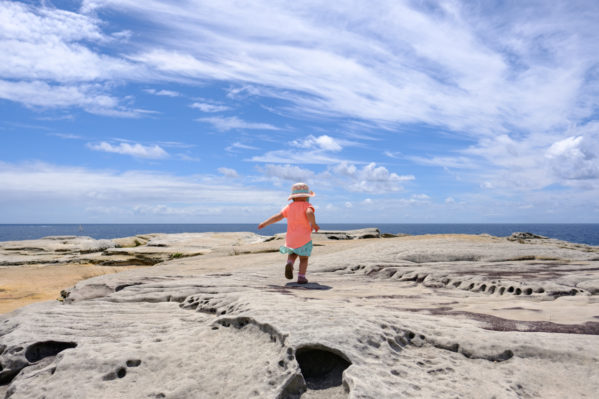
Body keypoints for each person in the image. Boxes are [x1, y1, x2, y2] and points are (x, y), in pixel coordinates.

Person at [258, 182, 320, 284]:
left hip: (291, 238)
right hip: (304, 238)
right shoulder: (307, 205)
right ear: (306, 197)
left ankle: (290, 263)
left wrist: (265, 223)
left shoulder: (289, 207)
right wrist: (313, 224)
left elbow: (278, 216)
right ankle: (301, 277)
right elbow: (309, 213)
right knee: (304, 259)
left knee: (292, 253)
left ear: (293, 197)